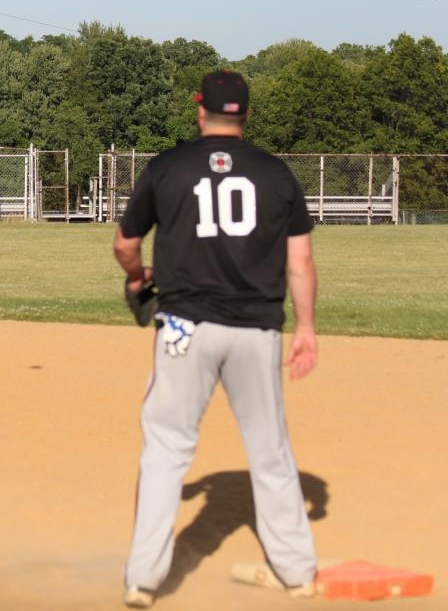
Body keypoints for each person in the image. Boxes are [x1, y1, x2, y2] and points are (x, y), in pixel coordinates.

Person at [113, 70, 318, 608]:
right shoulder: (276, 174)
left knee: (166, 448)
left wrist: (137, 279)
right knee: (270, 450)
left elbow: (125, 243)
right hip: (258, 329)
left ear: (199, 110)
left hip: (183, 325)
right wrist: (309, 328)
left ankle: (142, 579)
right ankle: (298, 572)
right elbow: (300, 262)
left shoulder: (168, 166)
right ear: (245, 115)